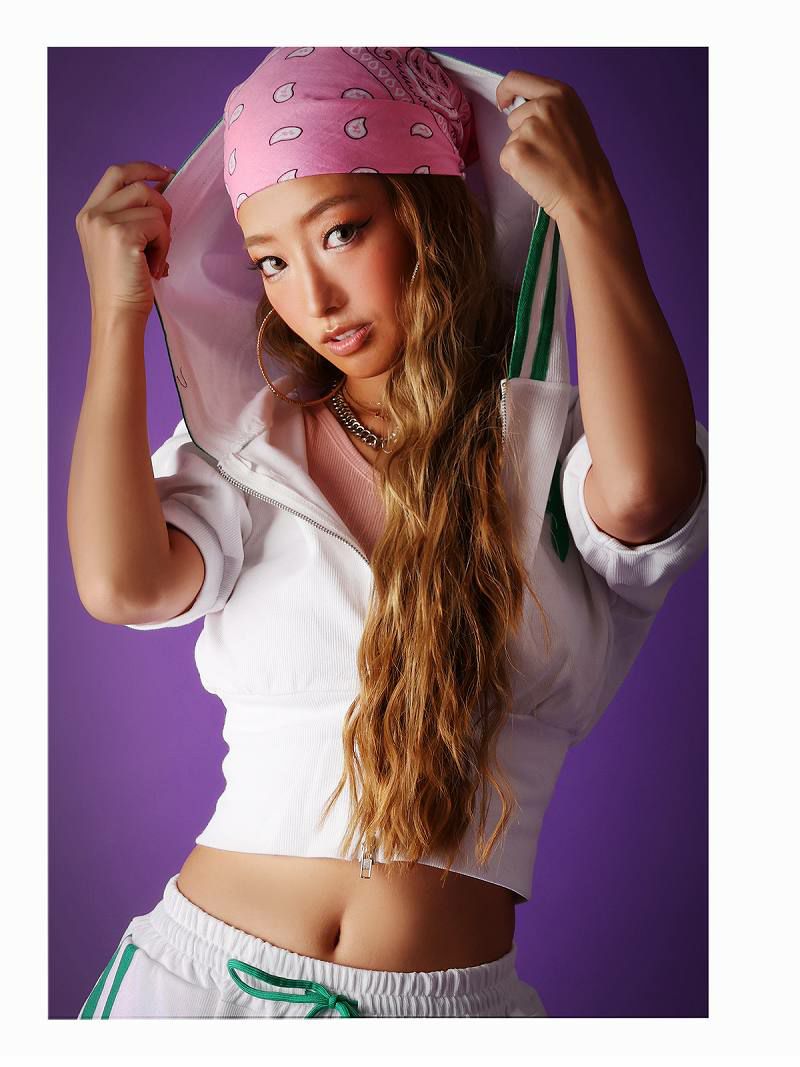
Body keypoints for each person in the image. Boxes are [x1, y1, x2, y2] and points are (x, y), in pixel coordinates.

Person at [68, 47, 708, 1019]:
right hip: (195, 990)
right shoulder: (248, 448)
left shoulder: (558, 449)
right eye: (271, 261)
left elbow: (648, 494)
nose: (313, 300)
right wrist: (119, 315)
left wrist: (588, 210)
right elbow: (123, 585)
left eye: (341, 231)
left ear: (426, 215)